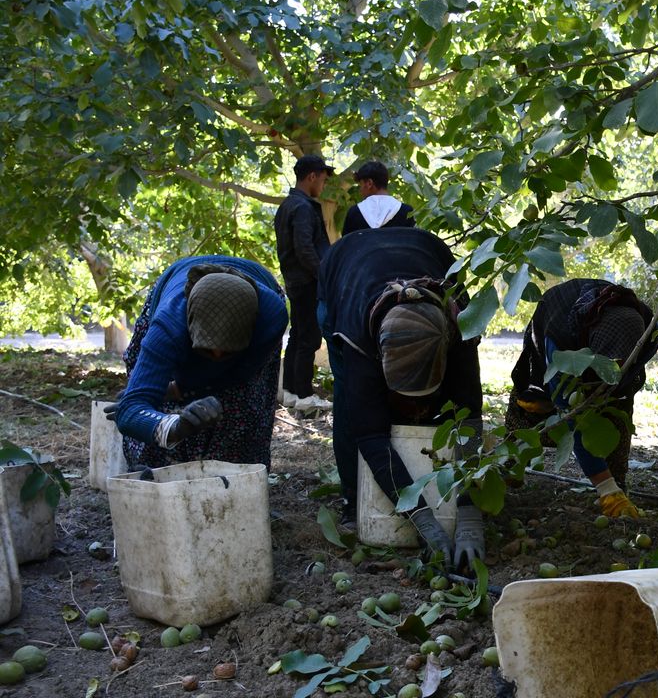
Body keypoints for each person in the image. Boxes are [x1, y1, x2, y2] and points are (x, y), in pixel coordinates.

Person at [318, 226, 485, 569]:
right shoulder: (357, 338)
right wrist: (422, 520)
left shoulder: (460, 329)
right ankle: (352, 499)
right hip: (346, 270)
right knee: (352, 406)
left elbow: (468, 416)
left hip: (425, 250)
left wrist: (469, 513)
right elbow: (370, 435)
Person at [110, 256, 288, 469]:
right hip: (174, 296)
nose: (217, 356)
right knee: (154, 411)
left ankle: (232, 472)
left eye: (228, 352)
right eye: (206, 349)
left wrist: (181, 389)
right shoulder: (168, 327)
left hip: (259, 307)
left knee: (241, 405)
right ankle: (156, 468)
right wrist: (174, 426)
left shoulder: (271, 319)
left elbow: (239, 374)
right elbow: (129, 411)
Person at [505, 279, 658, 518]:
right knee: (535, 406)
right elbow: (573, 418)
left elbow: (628, 371)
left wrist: (611, 385)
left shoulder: (648, 331)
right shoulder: (560, 340)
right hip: (560, 323)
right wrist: (605, 489)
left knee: (616, 408)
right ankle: (511, 464)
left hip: (598, 336)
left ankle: (617, 479)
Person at [274, 154, 335, 412]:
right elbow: (305, 248)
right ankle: (304, 395)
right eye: (322, 180)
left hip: (295, 280)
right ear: (312, 176)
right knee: (309, 337)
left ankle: (289, 392)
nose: (323, 185)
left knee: (298, 334)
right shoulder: (302, 208)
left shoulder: (288, 205)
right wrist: (324, 276)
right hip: (307, 281)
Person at [342, 161, 415, 235]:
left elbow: (347, 241)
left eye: (360, 184)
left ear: (369, 183)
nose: (360, 190)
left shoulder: (354, 213)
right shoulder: (407, 212)